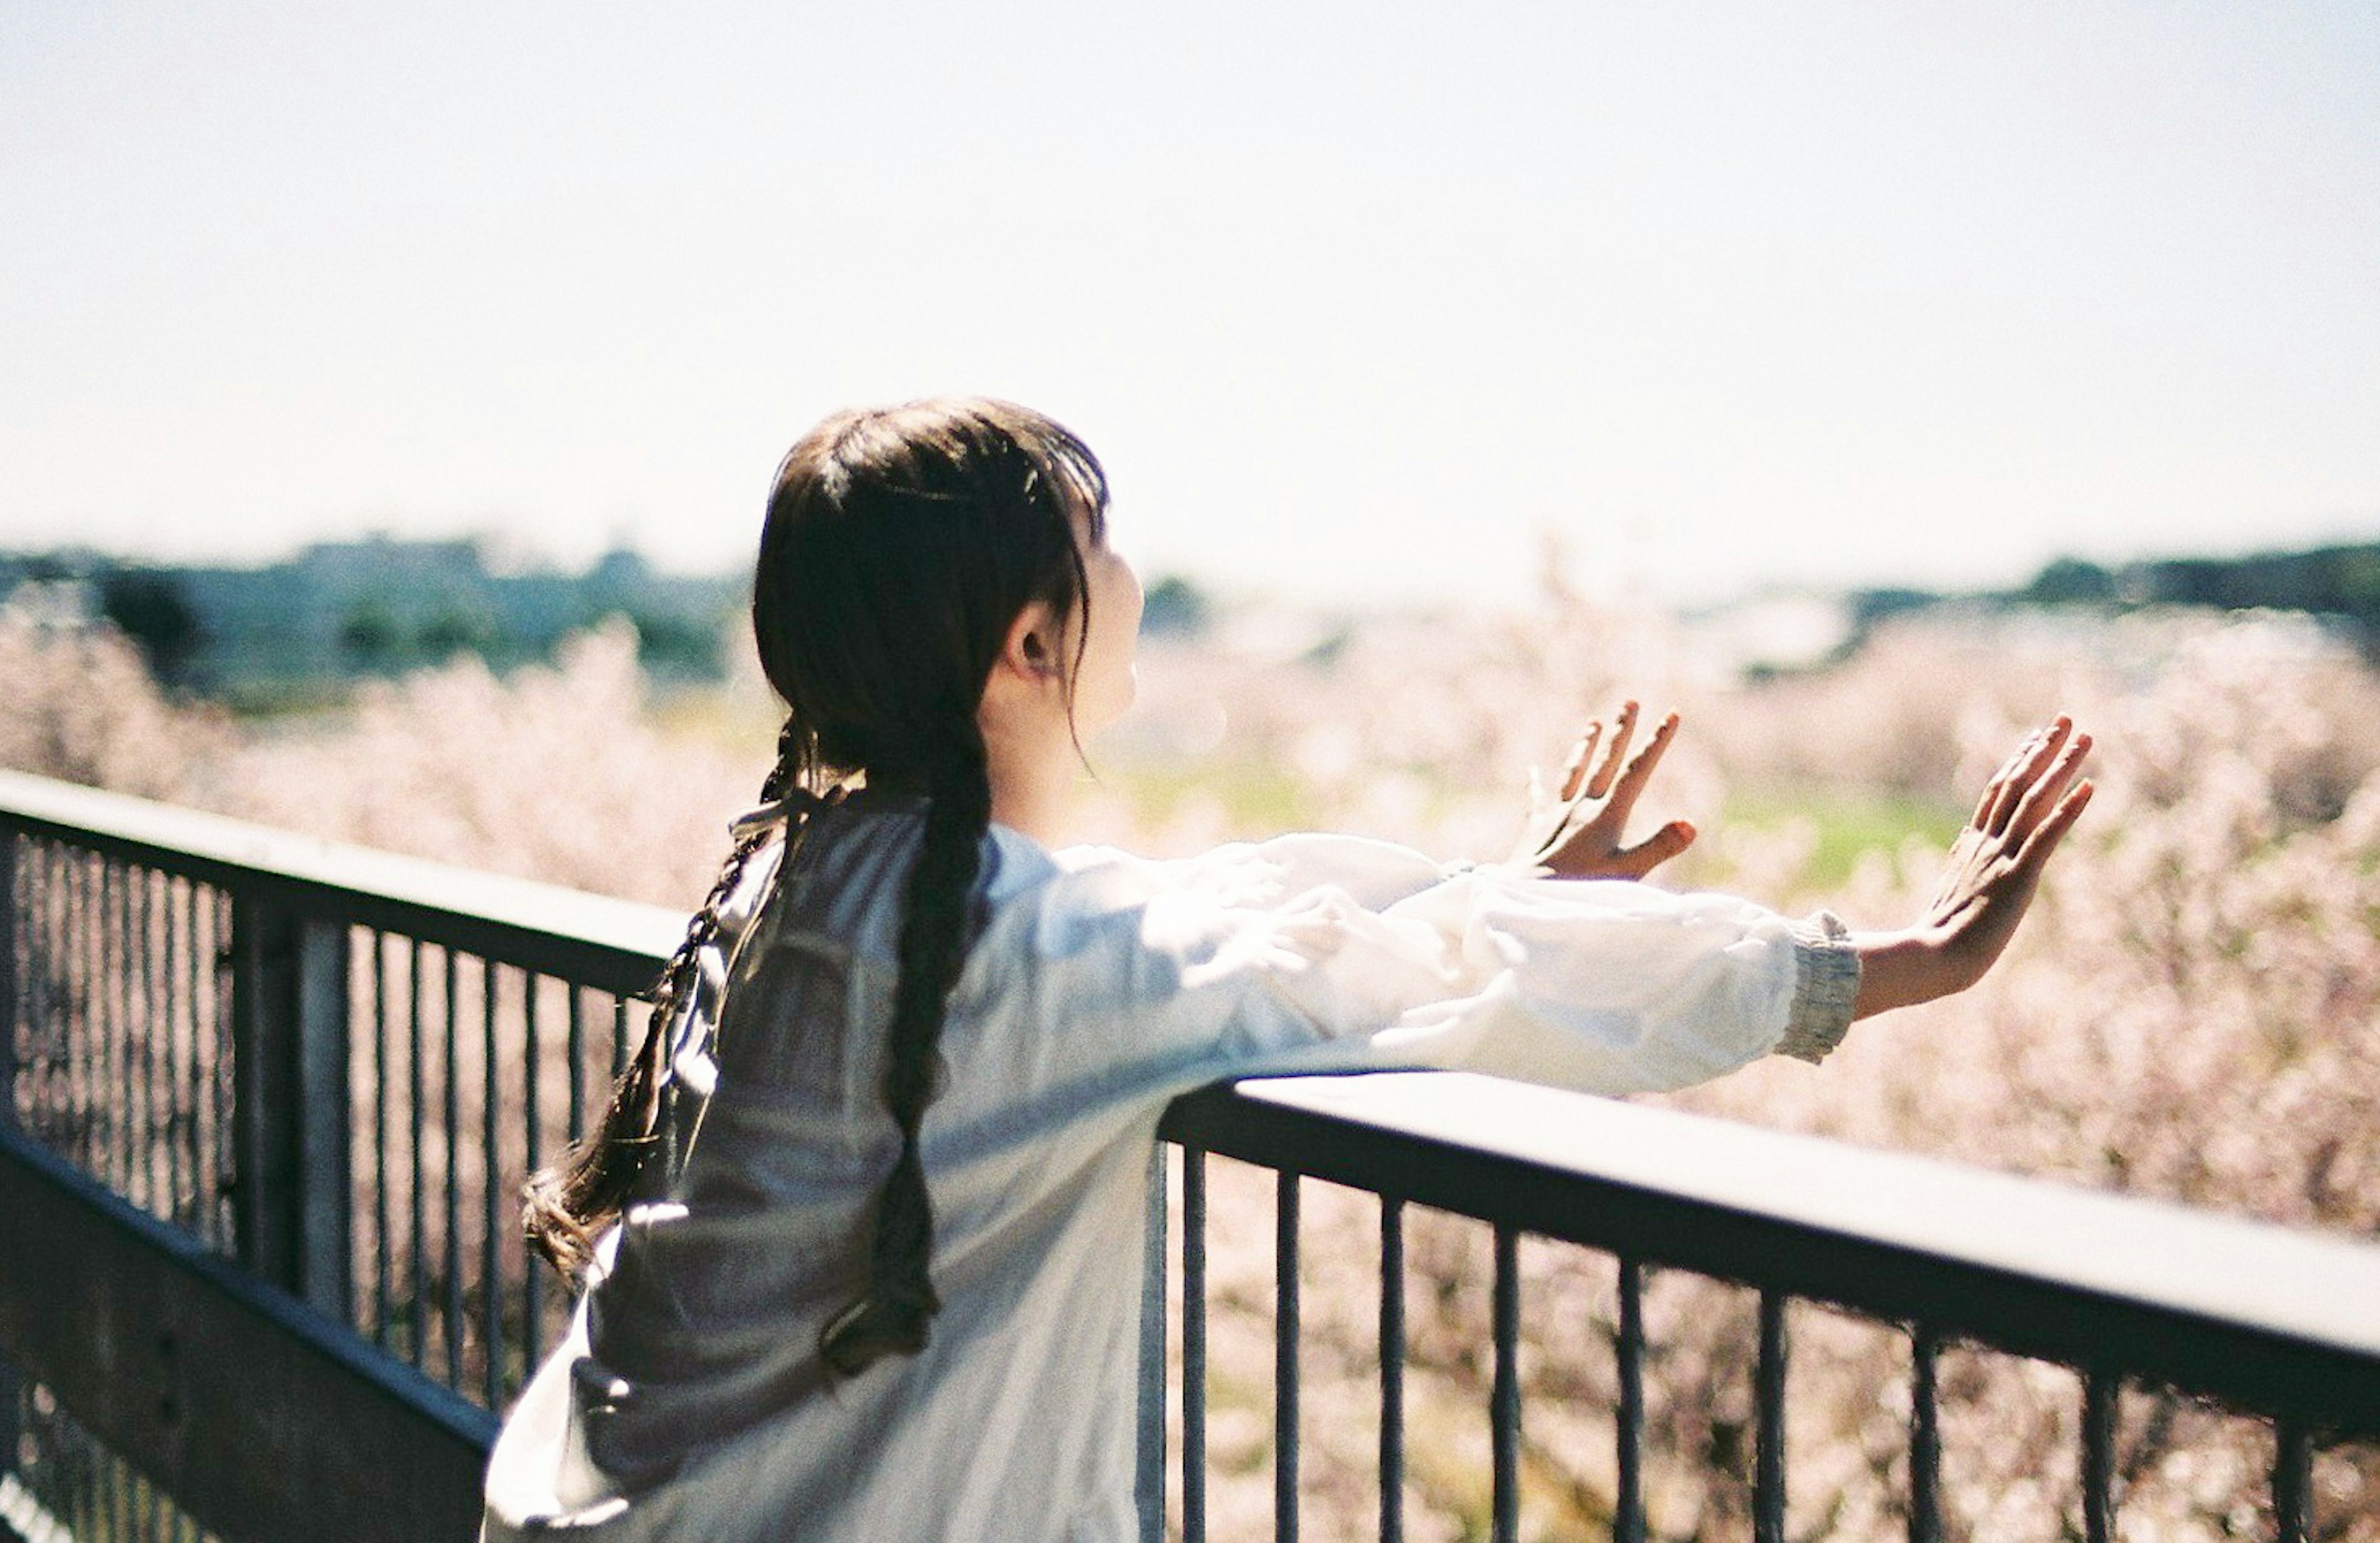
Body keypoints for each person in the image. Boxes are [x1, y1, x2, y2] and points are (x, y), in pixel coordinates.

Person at [481, 397, 2093, 1542]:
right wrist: (1885, 962)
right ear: (1032, 646)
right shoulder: (1019, 943)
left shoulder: (812, 869)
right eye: (1096, 545)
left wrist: (1501, 881)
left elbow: (1233, 912)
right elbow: (1409, 977)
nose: (1131, 576)